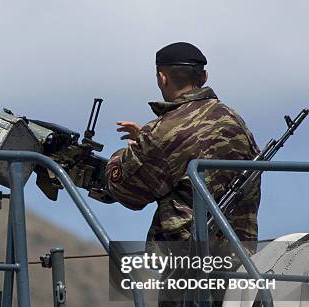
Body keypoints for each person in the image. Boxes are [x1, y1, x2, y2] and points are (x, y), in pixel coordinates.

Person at [106, 42, 261, 243]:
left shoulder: (165, 130)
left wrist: (123, 156)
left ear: (162, 78)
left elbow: (129, 194)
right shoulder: (235, 120)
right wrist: (146, 143)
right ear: (204, 77)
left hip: (188, 261)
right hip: (238, 256)